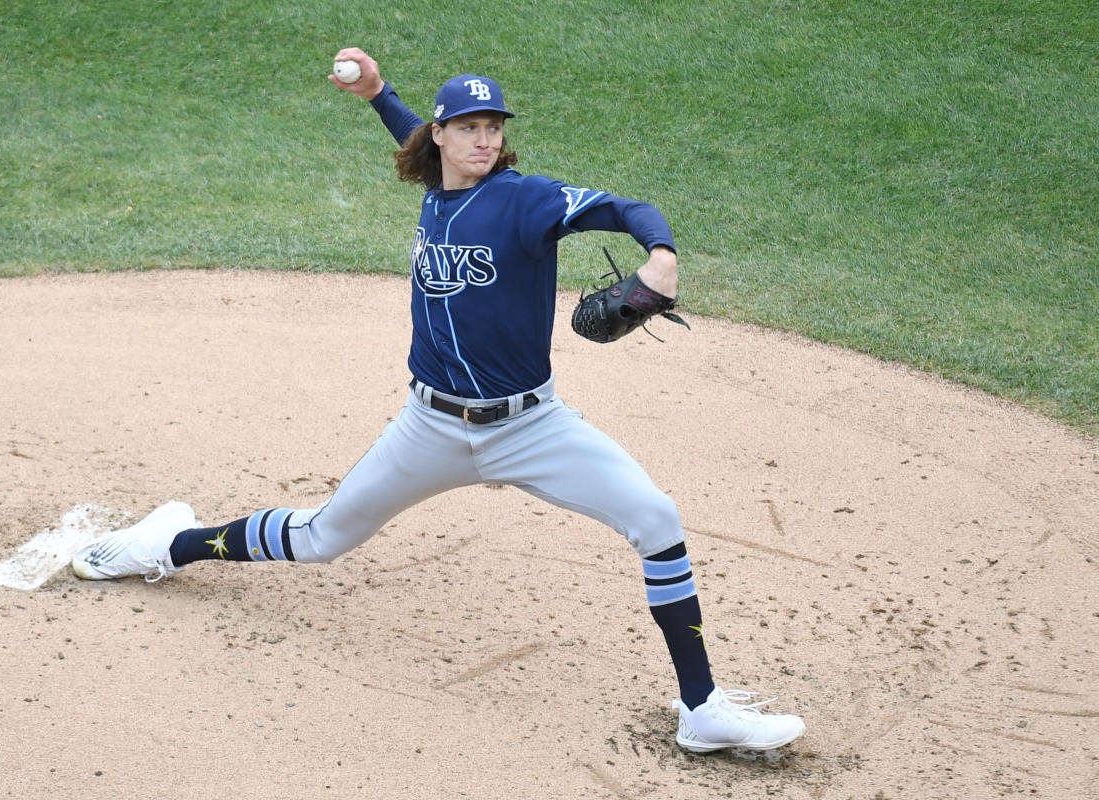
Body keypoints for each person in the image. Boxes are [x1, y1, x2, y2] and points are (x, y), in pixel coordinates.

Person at [72, 47, 806, 754]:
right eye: (470, 127)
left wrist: (662, 255)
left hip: (533, 427)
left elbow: (626, 207)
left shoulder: (527, 200)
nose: (485, 139)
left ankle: (702, 708)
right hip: (430, 427)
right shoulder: (437, 188)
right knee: (324, 537)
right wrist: (376, 96)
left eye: (495, 128)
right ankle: (164, 544)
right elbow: (412, 138)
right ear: (443, 137)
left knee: (656, 517)